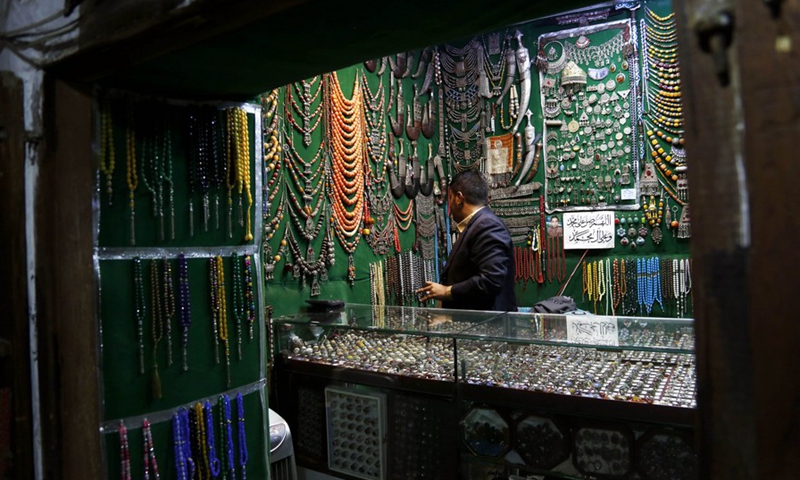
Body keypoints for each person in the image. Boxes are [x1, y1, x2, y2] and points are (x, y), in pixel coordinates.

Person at [415, 170, 517, 311]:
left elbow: (491, 280)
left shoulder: (487, 225)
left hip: (488, 326)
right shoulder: (475, 225)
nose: (450, 206)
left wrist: (447, 292)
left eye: (450, 198)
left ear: (459, 198)